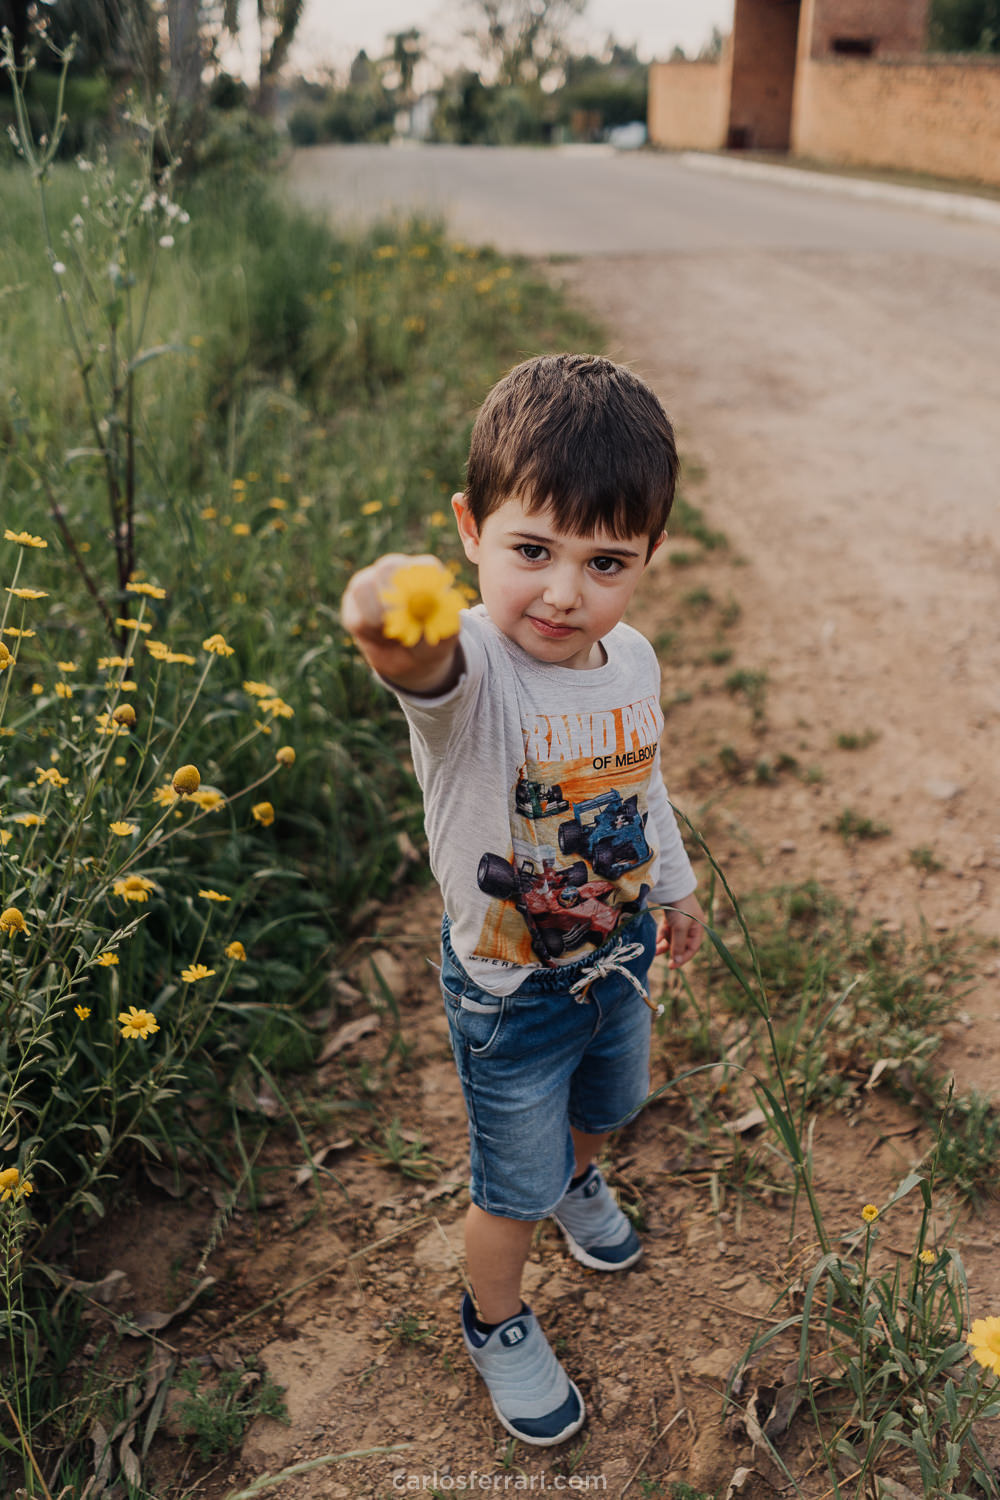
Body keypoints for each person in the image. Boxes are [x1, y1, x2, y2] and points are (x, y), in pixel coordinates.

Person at [342, 353, 705, 1447]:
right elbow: (423, 673)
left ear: (647, 558)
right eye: (531, 550)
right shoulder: (477, 675)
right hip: (512, 993)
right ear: (470, 528)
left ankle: (581, 1186)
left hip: (617, 957)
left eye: (605, 561)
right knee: (511, 1182)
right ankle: (493, 1319)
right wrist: (390, 630)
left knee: (608, 1106)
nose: (562, 592)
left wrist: (675, 886)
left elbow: (640, 783)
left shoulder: (629, 657)